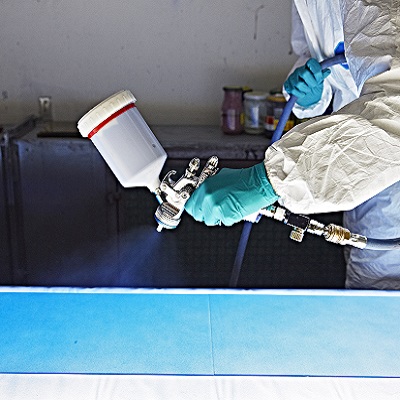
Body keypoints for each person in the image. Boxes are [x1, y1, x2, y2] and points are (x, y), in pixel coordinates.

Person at [185, 0, 400, 290]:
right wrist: (314, 93)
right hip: (357, 160)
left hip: (376, 153)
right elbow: (319, 53)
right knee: (371, 283)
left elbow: (394, 108)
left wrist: (271, 181)